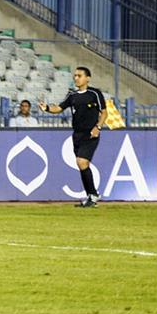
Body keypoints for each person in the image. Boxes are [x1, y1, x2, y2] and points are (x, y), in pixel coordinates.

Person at [39, 66, 107, 208]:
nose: (76, 78)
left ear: (87, 78)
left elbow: (104, 113)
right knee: (81, 164)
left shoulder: (95, 93)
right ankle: (91, 196)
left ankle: (93, 195)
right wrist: (46, 108)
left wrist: (98, 127)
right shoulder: (72, 95)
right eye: (75, 76)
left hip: (90, 133)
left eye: (79, 75)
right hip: (77, 134)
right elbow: (59, 108)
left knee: (81, 162)